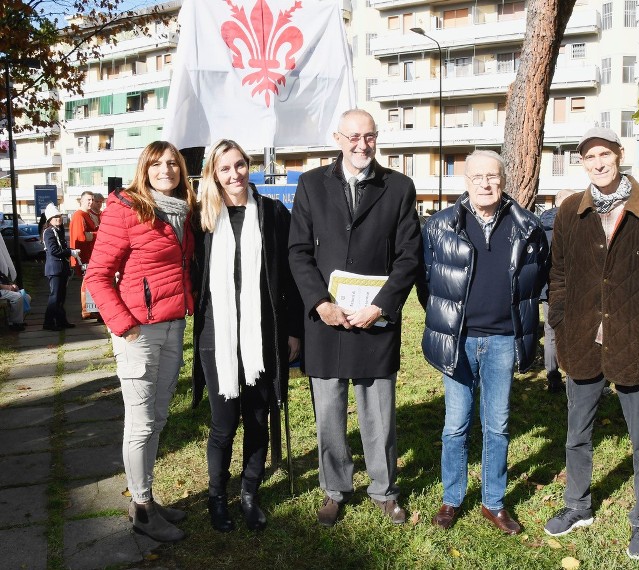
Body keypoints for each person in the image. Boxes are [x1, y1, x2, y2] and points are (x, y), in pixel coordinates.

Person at [543, 127, 639, 560]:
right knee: (576, 436)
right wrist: (560, 321)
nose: (598, 162)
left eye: (604, 154)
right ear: (582, 163)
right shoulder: (570, 211)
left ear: (619, 154)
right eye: (589, 156)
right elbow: (559, 275)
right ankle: (577, 506)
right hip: (582, 343)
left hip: (638, 345)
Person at [288, 109, 421, 527]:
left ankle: (384, 489)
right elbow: (298, 252)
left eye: (369, 137)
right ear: (337, 139)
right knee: (328, 412)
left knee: (379, 413)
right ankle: (335, 489)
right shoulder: (311, 184)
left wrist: (380, 306)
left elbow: (409, 256)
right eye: (353, 137)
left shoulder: (399, 187)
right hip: (326, 319)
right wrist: (319, 303)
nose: (362, 145)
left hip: (374, 319)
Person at [418, 150, 549, 534]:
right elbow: (427, 282)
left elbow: (538, 277)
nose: (486, 184)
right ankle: (452, 498)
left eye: (492, 176)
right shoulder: (440, 226)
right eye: (478, 177)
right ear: (466, 181)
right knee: (455, 425)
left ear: (503, 180)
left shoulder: (527, 226)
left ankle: (494, 502)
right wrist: (448, 320)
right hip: (458, 341)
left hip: (503, 340)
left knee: (498, 425)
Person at [84, 141, 196, 543]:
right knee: (141, 422)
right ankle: (143, 509)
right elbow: (97, 275)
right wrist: (124, 326)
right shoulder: (126, 209)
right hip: (139, 331)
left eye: (173, 163)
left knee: (158, 418)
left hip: (172, 326)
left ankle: (144, 499)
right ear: (144, 169)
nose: (166, 169)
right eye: (157, 163)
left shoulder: (181, 211)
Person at [191, 140, 303, 533]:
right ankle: (216, 497)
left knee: (257, 419)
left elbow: (291, 277)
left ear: (248, 166)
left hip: (263, 334)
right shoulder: (202, 219)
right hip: (217, 335)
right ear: (213, 174)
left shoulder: (272, 213)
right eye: (225, 168)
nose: (235, 174)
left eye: (240, 165)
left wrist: (294, 329)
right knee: (224, 424)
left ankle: (250, 493)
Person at [539, 189, 576, 393]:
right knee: (572, 332)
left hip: (549, 288)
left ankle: (553, 378)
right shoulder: (576, 223)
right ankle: (573, 376)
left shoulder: (540, 225)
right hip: (572, 288)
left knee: (551, 333)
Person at [42, 203, 80, 331]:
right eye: (55, 217)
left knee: (61, 297)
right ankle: (48, 323)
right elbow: (54, 250)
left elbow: (62, 248)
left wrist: (72, 250)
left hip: (61, 268)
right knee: (55, 297)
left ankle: (61, 321)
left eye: (59, 216)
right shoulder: (49, 232)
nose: (58, 219)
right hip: (54, 269)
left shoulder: (58, 230)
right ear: (50, 219)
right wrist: (70, 252)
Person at [69, 191, 99, 319]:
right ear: (81, 200)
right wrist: (98, 234)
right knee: (87, 283)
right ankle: (86, 310)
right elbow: (81, 237)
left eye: (92, 199)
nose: (91, 202)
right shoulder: (79, 215)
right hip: (84, 256)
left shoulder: (87, 214)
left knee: (90, 282)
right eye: (88, 200)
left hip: (89, 255)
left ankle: (91, 309)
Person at [0, 233, 30, 332]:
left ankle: (19, 319)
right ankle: (14, 323)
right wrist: (7, 287)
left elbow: (3, 277)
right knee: (17, 297)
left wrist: (11, 285)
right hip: (1, 290)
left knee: (26, 297)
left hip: (4, 288)